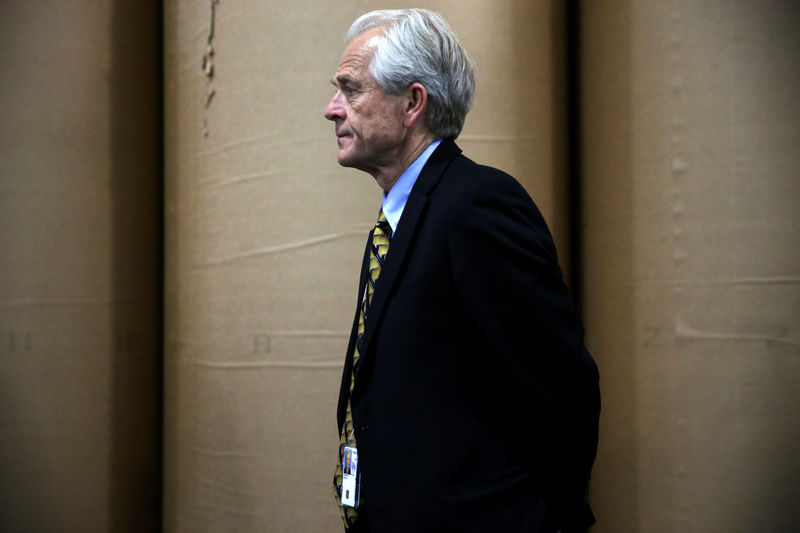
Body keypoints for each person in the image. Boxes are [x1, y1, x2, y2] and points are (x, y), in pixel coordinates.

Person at [324, 9, 600, 533]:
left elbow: (563, 385)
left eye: (350, 89)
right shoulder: (399, 217)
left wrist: (550, 520)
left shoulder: (477, 204)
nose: (331, 109)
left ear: (412, 103)